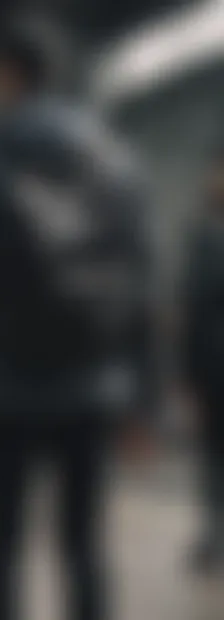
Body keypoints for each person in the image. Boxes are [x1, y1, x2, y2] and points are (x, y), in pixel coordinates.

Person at [0, 23, 158, 620]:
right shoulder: (120, 164)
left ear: (10, 73)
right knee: (85, 548)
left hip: (2, 388)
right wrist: (144, 401)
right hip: (94, 384)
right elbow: (142, 287)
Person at [181, 147, 224, 576]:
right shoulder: (202, 235)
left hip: (213, 364)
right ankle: (213, 533)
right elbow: (191, 311)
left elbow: (193, 306)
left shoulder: (204, 237)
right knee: (211, 455)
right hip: (213, 369)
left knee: (212, 456)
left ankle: (213, 536)